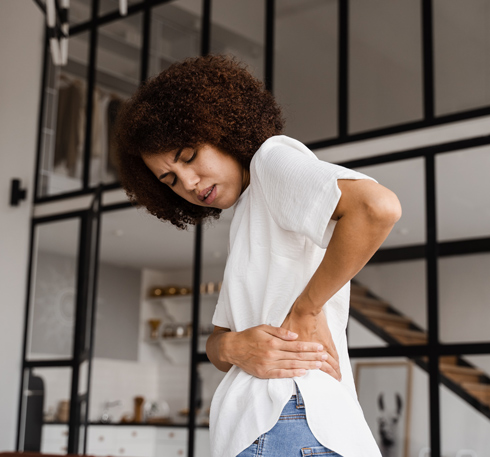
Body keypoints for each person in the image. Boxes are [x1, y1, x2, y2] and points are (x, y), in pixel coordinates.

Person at [115, 55, 401, 457]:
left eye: (189, 156)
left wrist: (306, 310)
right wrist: (234, 348)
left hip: (286, 415)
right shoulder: (249, 215)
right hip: (275, 420)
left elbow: (376, 208)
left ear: (223, 128)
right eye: (170, 180)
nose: (189, 183)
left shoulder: (271, 161)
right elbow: (219, 342)